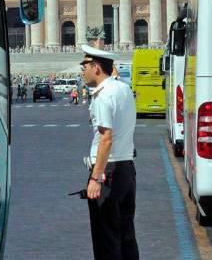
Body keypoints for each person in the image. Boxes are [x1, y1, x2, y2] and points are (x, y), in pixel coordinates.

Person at [79, 44, 138, 260]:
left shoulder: (102, 96)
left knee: (106, 239)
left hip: (108, 172)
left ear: (96, 67)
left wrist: (95, 177)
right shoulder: (123, 89)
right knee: (126, 235)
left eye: (84, 65)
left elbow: (106, 139)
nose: (82, 71)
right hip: (126, 169)